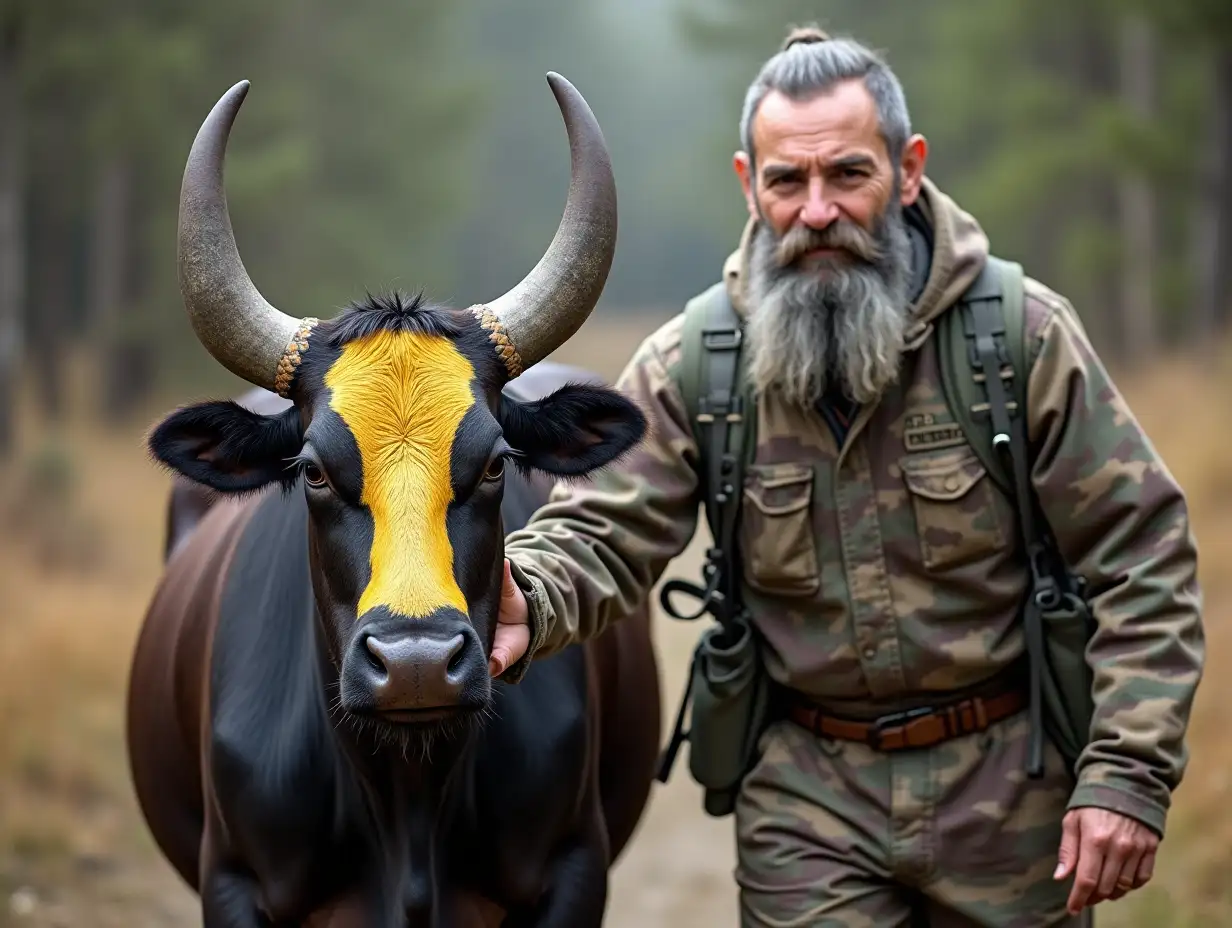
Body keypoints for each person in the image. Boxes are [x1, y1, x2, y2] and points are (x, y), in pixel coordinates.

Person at [486, 25, 1205, 927]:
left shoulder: (1019, 341)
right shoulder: (698, 363)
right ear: (751, 184)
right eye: (788, 182)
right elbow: (602, 529)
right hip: (806, 802)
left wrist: (1126, 776)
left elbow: (1143, 558)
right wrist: (523, 595)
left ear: (906, 170)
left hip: (1014, 794)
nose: (816, 211)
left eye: (848, 176)